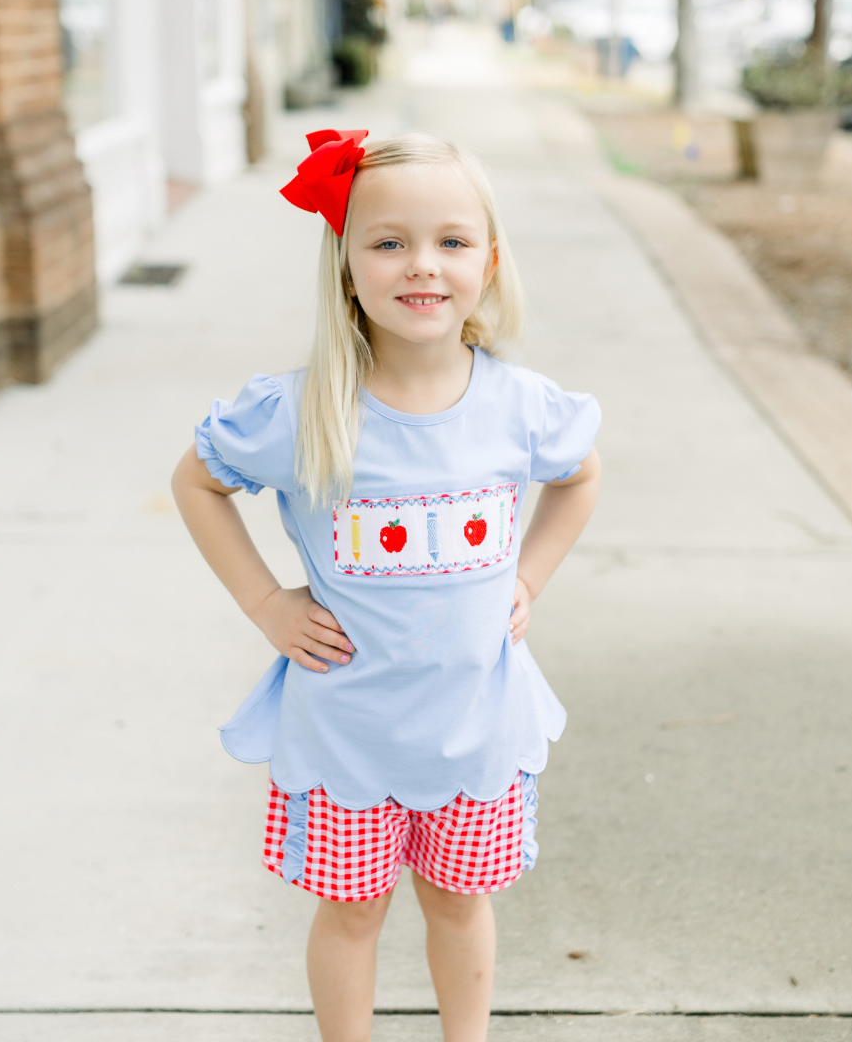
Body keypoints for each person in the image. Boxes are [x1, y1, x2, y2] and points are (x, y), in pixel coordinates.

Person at [171, 129, 601, 1042]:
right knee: (354, 917)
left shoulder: (520, 407)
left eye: (452, 241)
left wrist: (529, 574)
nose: (423, 266)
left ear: (490, 259)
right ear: (346, 265)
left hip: (475, 732)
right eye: (389, 241)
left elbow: (580, 478)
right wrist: (267, 602)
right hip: (348, 738)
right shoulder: (302, 411)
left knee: (456, 909)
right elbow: (197, 483)